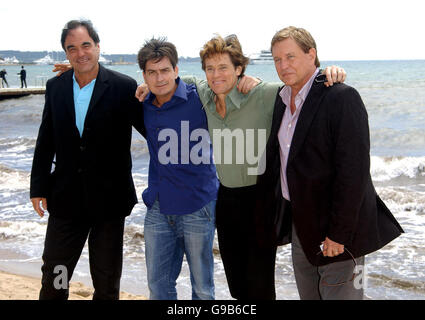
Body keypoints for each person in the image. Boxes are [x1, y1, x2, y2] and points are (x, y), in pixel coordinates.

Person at [136, 34, 346, 300]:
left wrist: (326, 72)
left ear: (239, 69)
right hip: (225, 199)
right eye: (210, 69)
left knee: (259, 286)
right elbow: (178, 81)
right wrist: (143, 85)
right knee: (237, 285)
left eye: (223, 67)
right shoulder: (205, 95)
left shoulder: (262, 94)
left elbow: (299, 85)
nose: (216, 75)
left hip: (260, 201)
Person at [255, 26, 404, 300]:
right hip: (300, 226)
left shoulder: (340, 97)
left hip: (337, 235)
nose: (283, 65)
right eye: (277, 60)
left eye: (290, 56)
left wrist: (339, 234)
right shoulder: (280, 100)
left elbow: (354, 174)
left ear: (311, 54)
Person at [30, 19, 145, 300]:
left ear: (97, 47)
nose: (80, 53)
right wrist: (38, 188)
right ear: (66, 54)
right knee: (55, 274)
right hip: (65, 199)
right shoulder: (55, 87)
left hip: (109, 202)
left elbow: (154, 130)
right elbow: (46, 140)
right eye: (72, 48)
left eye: (85, 45)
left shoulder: (123, 86)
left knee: (106, 281)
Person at [137, 38, 219, 300]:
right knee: (158, 286)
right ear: (144, 75)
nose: (159, 78)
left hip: (198, 204)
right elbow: (107, 87)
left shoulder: (201, 99)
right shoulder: (144, 103)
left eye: (164, 70)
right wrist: (76, 71)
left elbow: (231, 85)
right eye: (152, 72)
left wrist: (250, 81)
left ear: (176, 70)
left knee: (203, 290)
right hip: (159, 205)